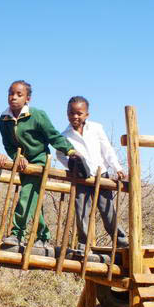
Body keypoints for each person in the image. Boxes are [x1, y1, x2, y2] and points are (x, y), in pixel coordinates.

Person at [0, 81, 81, 249]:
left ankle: (17, 233)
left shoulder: (37, 115)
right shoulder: (4, 119)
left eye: (19, 95)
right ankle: (43, 236)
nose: (14, 97)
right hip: (22, 163)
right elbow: (8, 145)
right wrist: (17, 156)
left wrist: (70, 151)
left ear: (28, 98)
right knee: (33, 197)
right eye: (11, 93)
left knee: (26, 195)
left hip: (40, 161)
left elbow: (53, 136)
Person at [56, 96, 128, 249]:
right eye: (71, 113)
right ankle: (84, 245)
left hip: (101, 176)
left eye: (79, 113)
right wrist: (72, 166)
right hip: (81, 178)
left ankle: (121, 241)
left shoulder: (96, 128)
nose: (75, 116)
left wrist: (117, 168)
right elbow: (60, 154)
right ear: (67, 113)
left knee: (107, 211)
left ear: (86, 114)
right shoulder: (64, 136)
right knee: (81, 211)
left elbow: (107, 149)